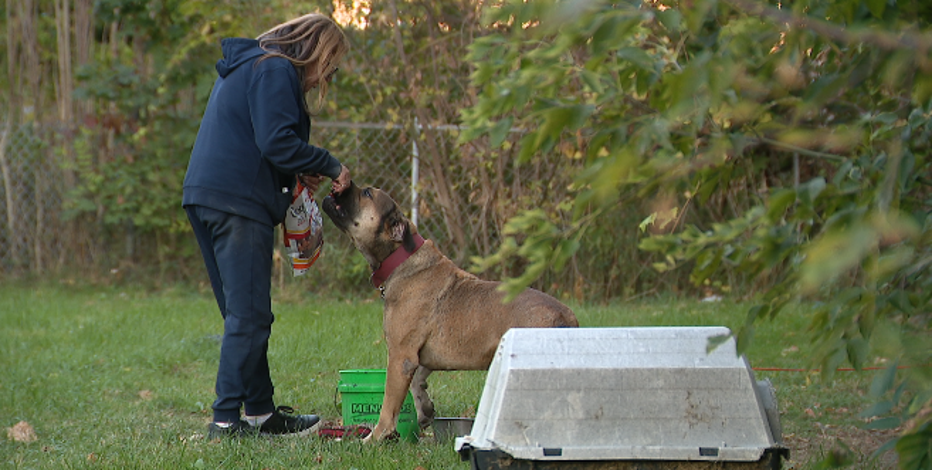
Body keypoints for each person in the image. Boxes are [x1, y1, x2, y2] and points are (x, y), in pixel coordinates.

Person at [182, 13, 352, 439]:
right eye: (328, 68)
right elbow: (277, 141)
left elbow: (257, 141)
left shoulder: (254, 67)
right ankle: (225, 421)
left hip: (209, 194)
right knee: (250, 316)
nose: (323, 80)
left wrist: (296, 171)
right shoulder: (274, 68)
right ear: (316, 52)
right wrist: (330, 164)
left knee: (244, 313)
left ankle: (259, 412)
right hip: (237, 202)